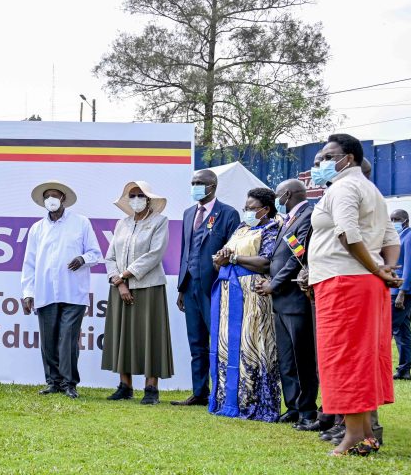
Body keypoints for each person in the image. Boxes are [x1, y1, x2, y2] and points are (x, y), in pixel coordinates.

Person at [307, 133, 401, 456]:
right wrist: (386, 269)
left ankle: (351, 435)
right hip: (361, 282)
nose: (322, 163)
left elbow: (347, 233)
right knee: (360, 356)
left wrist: (378, 270)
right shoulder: (371, 190)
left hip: (345, 282)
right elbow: (391, 240)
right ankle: (363, 432)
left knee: (344, 357)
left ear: (349, 158)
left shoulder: (345, 187)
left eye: (329, 156)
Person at [21, 181, 102, 399]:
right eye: (47, 197)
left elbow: (95, 253)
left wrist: (82, 258)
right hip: (45, 291)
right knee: (48, 339)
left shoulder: (81, 223)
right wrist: (27, 293)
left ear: (63, 198)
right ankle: (52, 381)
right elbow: (29, 263)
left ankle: (69, 383)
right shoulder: (37, 228)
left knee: (68, 338)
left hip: (73, 291)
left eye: (55, 196)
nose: (51, 200)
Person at [208, 188, 281, 422]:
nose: (247, 212)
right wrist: (220, 260)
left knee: (253, 344)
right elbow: (224, 257)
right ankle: (229, 400)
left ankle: (255, 402)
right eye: (246, 208)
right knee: (228, 344)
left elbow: (266, 262)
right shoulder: (241, 228)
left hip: (254, 295)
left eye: (251, 208)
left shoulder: (272, 229)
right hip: (230, 293)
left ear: (265, 209)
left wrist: (233, 258)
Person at [172, 169, 240, 406]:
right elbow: (185, 251)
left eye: (200, 183)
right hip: (190, 286)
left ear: (213, 186)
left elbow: (234, 251)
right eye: (193, 182)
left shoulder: (228, 214)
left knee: (218, 340)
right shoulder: (189, 213)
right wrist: (182, 286)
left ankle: (221, 392)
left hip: (214, 286)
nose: (196, 186)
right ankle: (199, 392)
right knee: (196, 341)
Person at [101, 181, 173, 404]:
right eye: (131, 196)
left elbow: (154, 254)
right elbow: (110, 256)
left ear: (149, 198)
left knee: (150, 335)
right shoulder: (121, 223)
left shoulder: (159, 222)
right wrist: (119, 282)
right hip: (120, 288)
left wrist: (126, 275)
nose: (135, 199)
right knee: (123, 335)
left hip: (148, 287)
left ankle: (151, 389)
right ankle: (125, 386)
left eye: (140, 195)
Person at [257, 179, 319, 429]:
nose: (276, 198)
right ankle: (292, 405)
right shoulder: (289, 218)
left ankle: (307, 409)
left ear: (288, 194)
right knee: (286, 358)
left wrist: (275, 283)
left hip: (294, 296)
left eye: (278, 194)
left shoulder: (308, 215)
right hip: (281, 300)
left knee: (302, 357)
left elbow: (298, 256)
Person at [390, 209, 411, 380]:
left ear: (406, 221)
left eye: (397, 219)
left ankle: (377, 367)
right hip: (396, 290)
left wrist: (402, 292)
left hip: (403, 291)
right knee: (402, 330)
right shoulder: (399, 237)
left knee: (386, 327)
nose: (394, 221)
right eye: (392, 219)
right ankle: (404, 369)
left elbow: (410, 267)